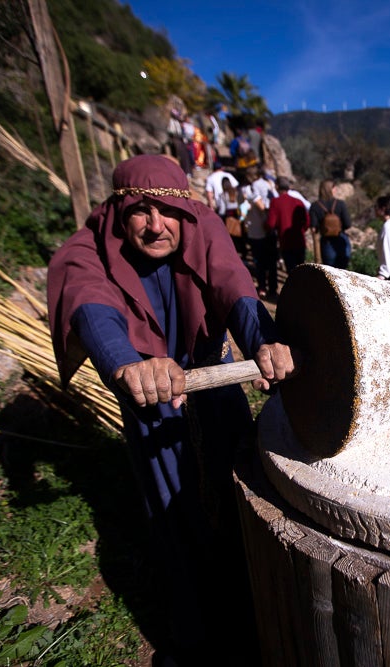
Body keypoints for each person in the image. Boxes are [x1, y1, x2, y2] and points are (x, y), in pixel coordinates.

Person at [46, 154, 296, 663]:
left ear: (185, 211)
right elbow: (89, 300)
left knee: (239, 498)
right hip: (151, 398)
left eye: (166, 213)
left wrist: (264, 343)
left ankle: (256, 615)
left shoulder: (203, 226)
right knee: (175, 515)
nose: (156, 226)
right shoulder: (92, 244)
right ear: (120, 213)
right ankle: (197, 638)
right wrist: (127, 364)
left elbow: (233, 284)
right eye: (141, 213)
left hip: (215, 386)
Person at [241, 165, 278, 299]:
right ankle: (273, 288)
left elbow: (253, 206)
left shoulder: (249, 189)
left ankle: (262, 287)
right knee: (271, 261)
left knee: (259, 261)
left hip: (256, 229)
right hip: (270, 227)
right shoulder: (270, 184)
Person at [265, 176, 309, 274]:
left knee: (291, 272)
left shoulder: (275, 202)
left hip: (286, 241)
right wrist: (301, 231)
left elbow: (271, 224)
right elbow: (306, 222)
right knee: (301, 270)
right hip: (299, 240)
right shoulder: (298, 202)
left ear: (276, 187)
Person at [309, 180, 352, 269]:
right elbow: (348, 224)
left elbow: (314, 228)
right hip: (341, 239)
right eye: (334, 187)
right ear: (330, 190)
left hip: (326, 242)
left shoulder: (315, 206)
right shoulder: (340, 204)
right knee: (343, 272)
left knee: (330, 273)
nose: (335, 189)